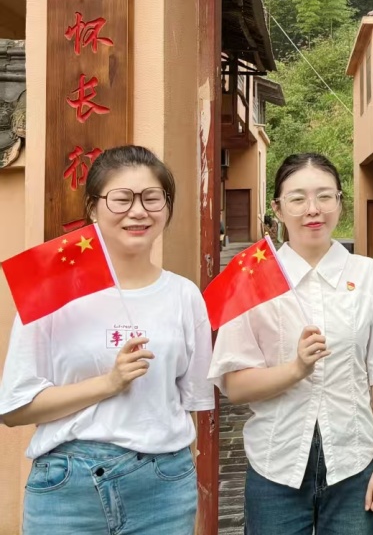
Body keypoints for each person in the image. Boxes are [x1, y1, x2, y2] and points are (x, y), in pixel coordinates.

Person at [0, 145, 214, 535]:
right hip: (67, 489)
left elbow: (191, 403)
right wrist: (108, 384)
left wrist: (183, 484)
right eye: (121, 199)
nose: (138, 211)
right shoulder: (52, 293)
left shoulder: (184, 296)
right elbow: (14, 408)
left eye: (152, 198)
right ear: (93, 208)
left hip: (163, 487)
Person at [209, 153, 373, 535]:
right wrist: (295, 370)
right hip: (276, 466)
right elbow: (235, 385)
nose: (313, 209)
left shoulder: (371, 277)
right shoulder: (253, 279)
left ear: (340, 202)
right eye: (297, 198)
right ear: (277, 208)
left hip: (354, 463)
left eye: (324, 196)